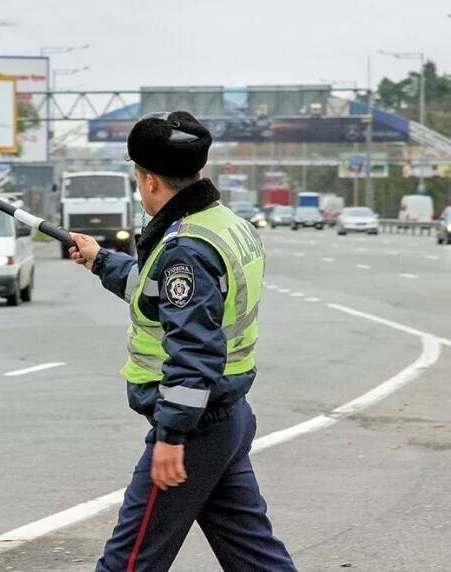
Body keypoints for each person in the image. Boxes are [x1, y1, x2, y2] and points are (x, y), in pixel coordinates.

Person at [69, 111, 296, 572]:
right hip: (226, 416)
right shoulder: (221, 224)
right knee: (255, 558)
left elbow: (194, 350)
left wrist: (172, 436)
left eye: (137, 179)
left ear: (150, 180)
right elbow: (155, 292)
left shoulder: (186, 248)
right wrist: (99, 261)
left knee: (129, 561)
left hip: (196, 428)